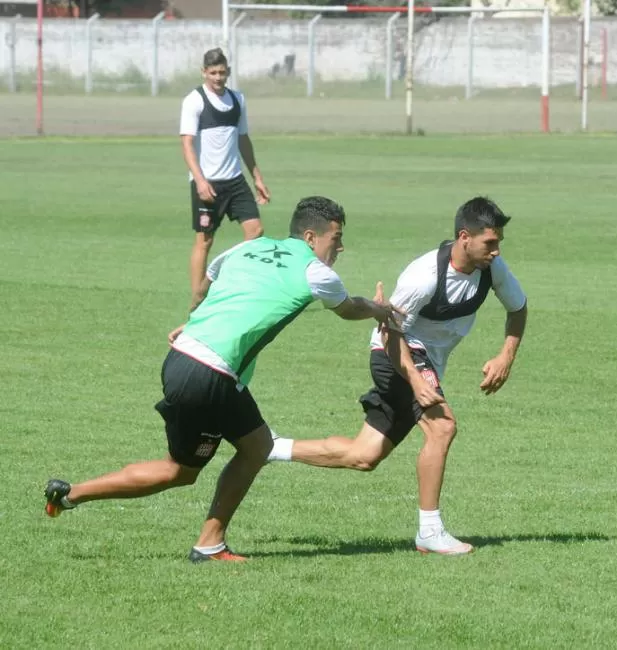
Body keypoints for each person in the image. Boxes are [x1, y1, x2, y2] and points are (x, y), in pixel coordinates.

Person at [44, 196, 402, 563]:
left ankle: (72, 494)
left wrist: (196, 323)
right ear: (311, 237)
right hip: (211, 375)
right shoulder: (315, 271)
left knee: (218, 458)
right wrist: (381, 310)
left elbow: (207, 284)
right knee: (195, 466)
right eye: (336, 238)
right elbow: (350, 309)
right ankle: (208, 543)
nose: (340, 247)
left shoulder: (249, 247)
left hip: (183, 358)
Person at [268, 197, 528, 555]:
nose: (496, 251)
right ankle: (429, 532)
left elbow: (518, 308)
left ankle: (272, 447)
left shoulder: (491, 269)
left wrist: (505, 357)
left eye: (498, 242)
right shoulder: (424, 276)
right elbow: (389, 330)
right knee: (443, 427)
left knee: (364, 456)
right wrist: (418, 381)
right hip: (394, 352)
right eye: (490, 243)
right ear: (464, 237)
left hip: (423, 363)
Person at [180, 47, 271, 310]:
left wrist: (257, 178)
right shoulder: (194, 101)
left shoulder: (238, 100)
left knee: (256, 232)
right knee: (204, 240)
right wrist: (200, 181)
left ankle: (228, 280)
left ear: (228, 71)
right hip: (207, 182)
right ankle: (198, 299)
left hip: (235, 180)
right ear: (203, 72)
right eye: (213, 73)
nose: (218, 78)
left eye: (222, 72)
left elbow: (243, 140)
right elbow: (186, 144)